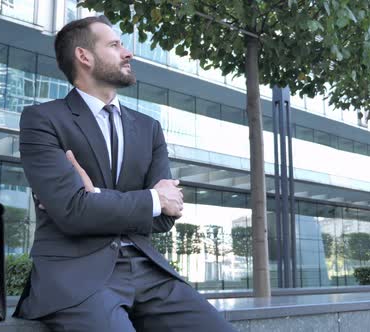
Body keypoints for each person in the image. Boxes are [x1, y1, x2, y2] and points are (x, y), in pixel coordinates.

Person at [14, 15, 236, 332]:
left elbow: (165, 214)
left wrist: (99, 198)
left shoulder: (149, 129)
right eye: (115, 45)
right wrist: (151, 199)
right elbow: (72, 212)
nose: (127, 52)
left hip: (149, 271)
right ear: (84, 56)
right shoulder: (42, 120)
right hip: (77, 276)